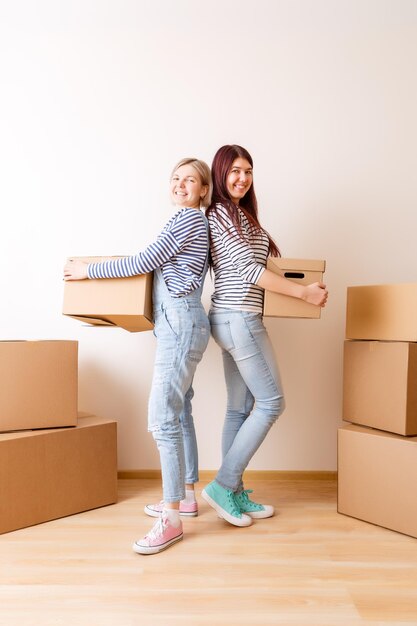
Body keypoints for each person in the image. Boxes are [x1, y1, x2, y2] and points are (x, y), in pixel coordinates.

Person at [64, 158, 212, 554]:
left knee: (162, 416)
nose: (181, 185)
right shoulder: (191, 221)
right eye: (176, 178)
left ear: (203, 189)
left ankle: (172, 518)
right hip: (183, 323)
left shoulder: (187, 220)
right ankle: (185, 498)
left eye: (191, 180)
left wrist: (88, 271)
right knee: (179, 412)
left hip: (181, 323)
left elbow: (144, 261)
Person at [202, 144, 328, 527]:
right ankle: (223, 485)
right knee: (272, 403)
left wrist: (307, 288)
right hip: (239, 317)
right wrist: (304, 293)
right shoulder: (221, 213)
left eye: (248, 171)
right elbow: (249, 271)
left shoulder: (241, 215)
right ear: (220, 173)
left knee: (239, 409)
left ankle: (233, 491)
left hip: (232, 317)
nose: (242, 178)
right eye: (235, 170)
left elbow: (265, 265)